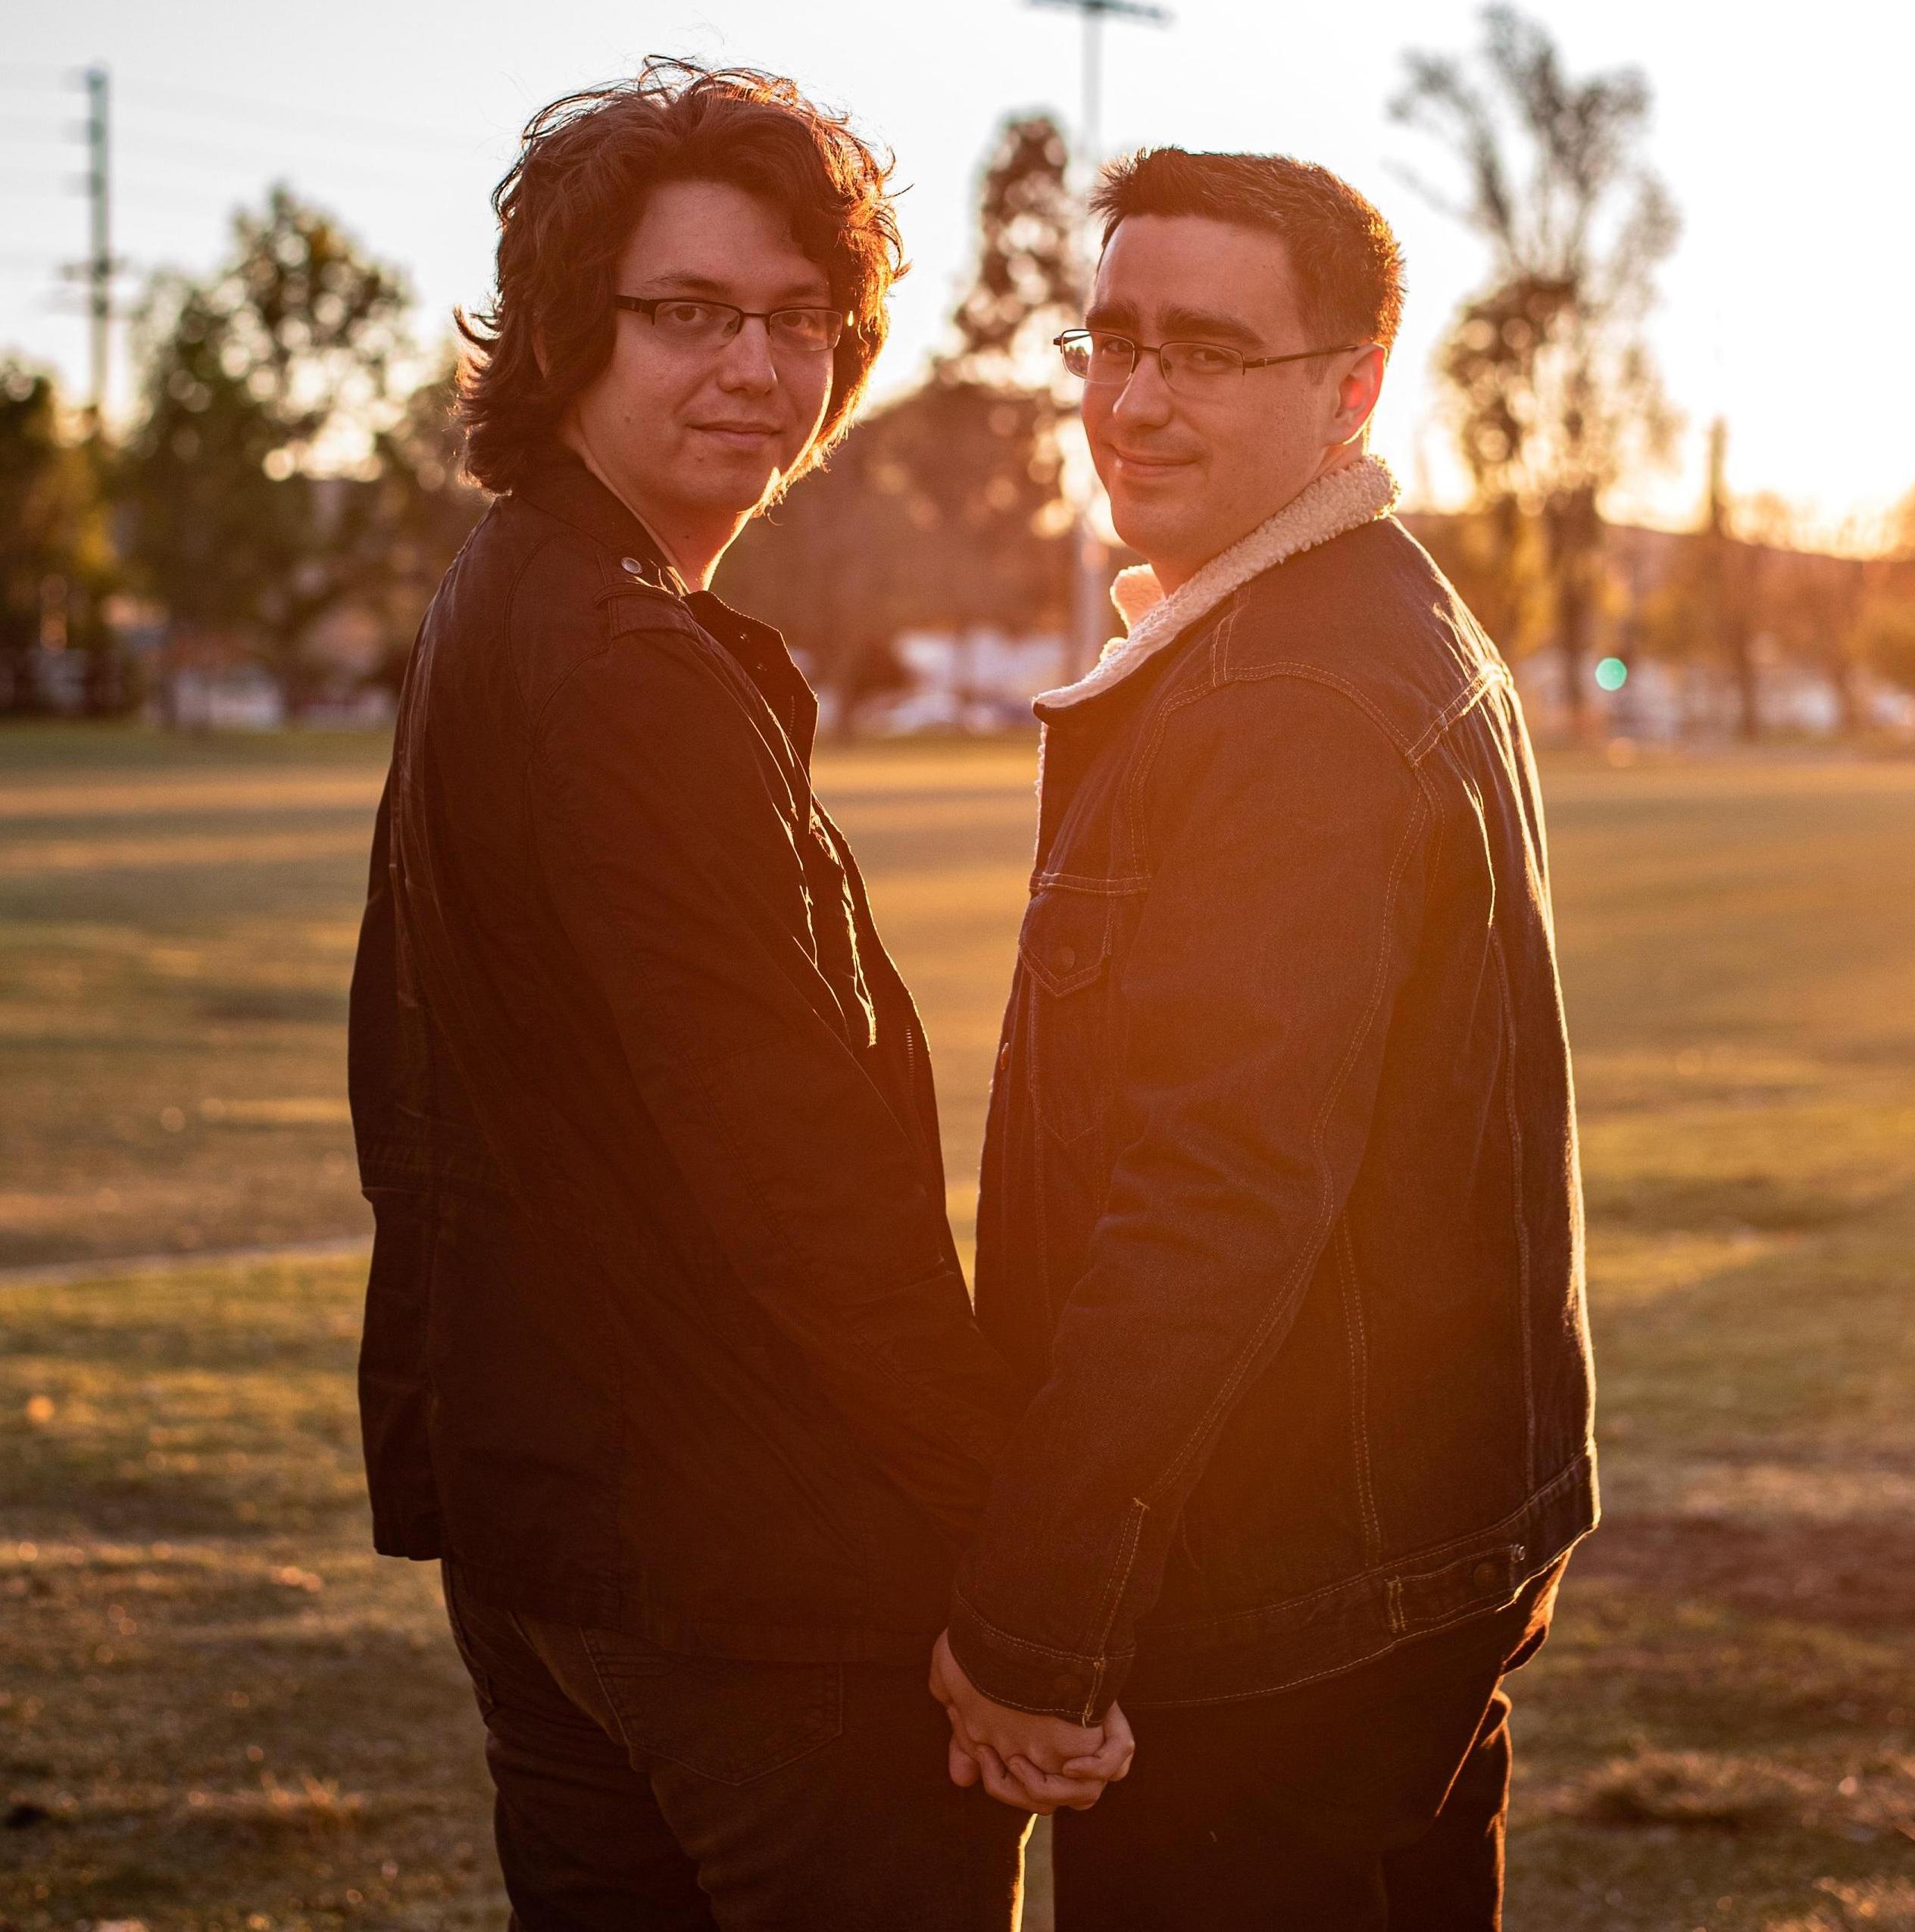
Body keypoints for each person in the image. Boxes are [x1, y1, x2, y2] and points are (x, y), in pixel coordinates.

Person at [348, 60, 1123, 1931]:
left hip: (556, 1536)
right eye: (687, 313)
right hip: (745, 1582)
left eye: (798, 322)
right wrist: (1010, 1571)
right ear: (565, 330)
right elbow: (796, 1179)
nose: (753, 371)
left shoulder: (515, 589)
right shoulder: (616, 661)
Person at [929, 148, 1598, 1929]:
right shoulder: (1348, 618)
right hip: (1403, 1566)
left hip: (1288, 1601)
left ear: (1352, 385)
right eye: (1112, 340)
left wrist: (1031, 1619)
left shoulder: (1294, 687)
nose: (1134, 400)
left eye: (1209, 352)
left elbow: (1215, 1192)